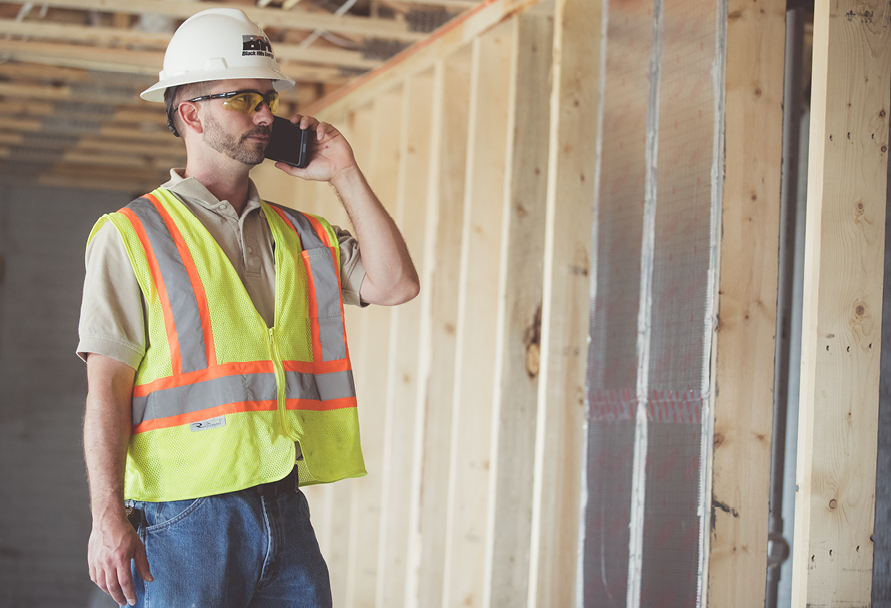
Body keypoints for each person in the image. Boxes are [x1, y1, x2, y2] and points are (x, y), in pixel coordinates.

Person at [78, 8, 419, 607]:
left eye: (267, 99)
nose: (265, 114)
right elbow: (105, 388)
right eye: (243, 98)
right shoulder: (132, 234)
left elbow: (394, 284)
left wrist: (344, 172)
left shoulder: (298, 233)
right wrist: (108, 517)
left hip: (283, 506)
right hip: (181, 516)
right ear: (190, 112)